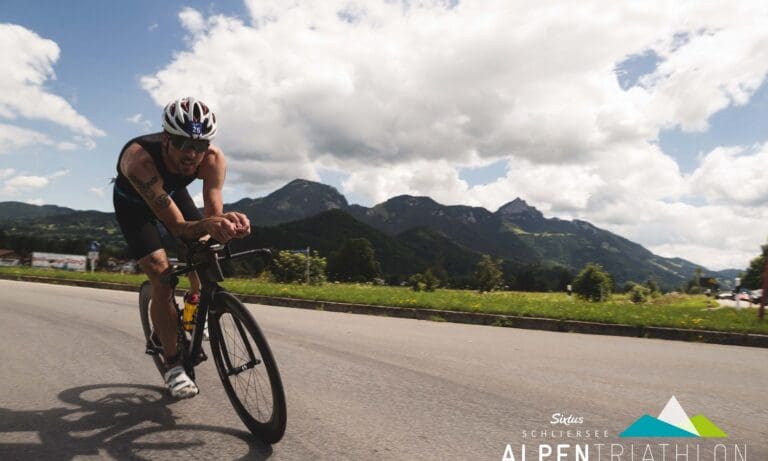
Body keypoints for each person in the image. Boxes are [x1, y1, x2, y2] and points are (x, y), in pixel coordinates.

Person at [113, 97, 251, 399]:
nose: (192, 154)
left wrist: (224, 226)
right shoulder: (139, 162)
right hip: (135, 209)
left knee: (204, 247)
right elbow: (177, 227)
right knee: (162, 276)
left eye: (199, 146)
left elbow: (212, 211)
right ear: (166, 139)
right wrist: (208, 224)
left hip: (172, 196)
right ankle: (173, 365)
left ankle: (193, 307)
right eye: (182, 144)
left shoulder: (212, 158)